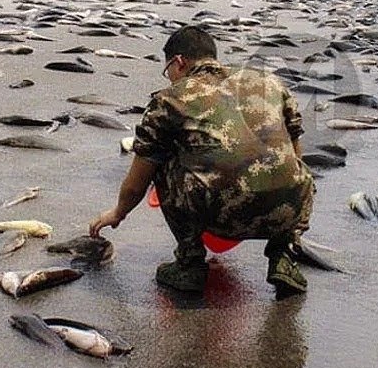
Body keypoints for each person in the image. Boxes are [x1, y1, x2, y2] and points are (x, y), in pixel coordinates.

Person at [88, 25, 314, 298]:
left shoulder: (170, 99)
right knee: (289, 168)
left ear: (179, 62)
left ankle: (189, 263)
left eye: (168, 69)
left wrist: (118, 212)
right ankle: (284, 258)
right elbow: (294, 150)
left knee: (161, 158)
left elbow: (139, 180)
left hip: (220, 214)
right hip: (288, 209)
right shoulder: (270, 83)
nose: (170, 77)